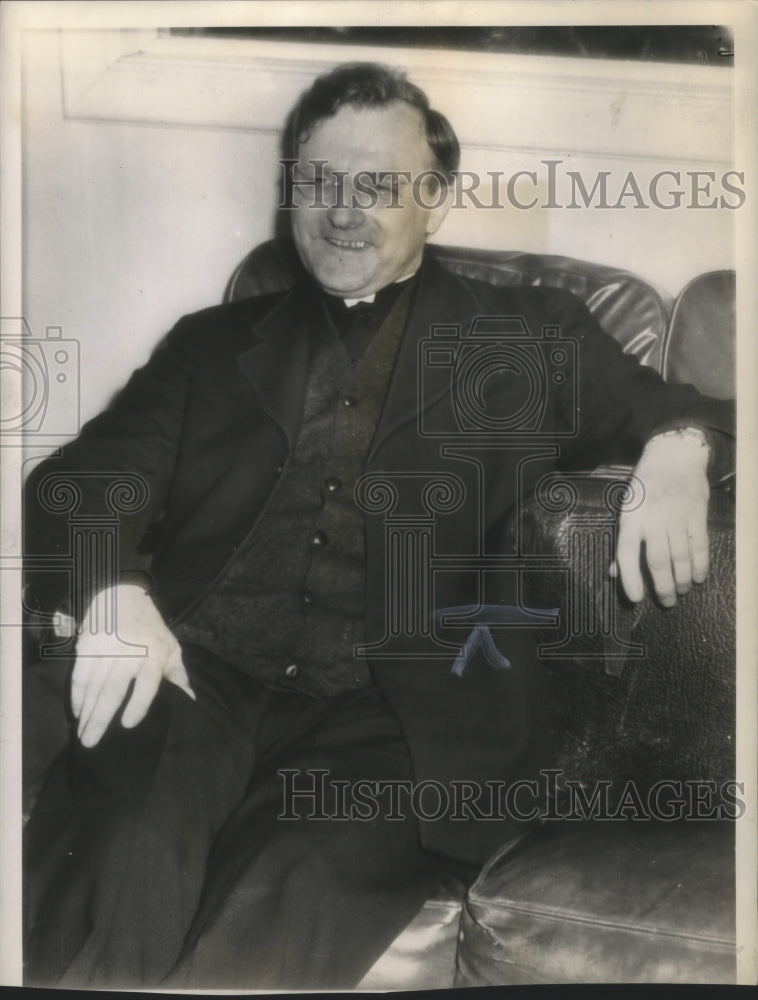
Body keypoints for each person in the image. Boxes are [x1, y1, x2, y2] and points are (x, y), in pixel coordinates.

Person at [22, 62, 734, 989]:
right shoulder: (210, 343)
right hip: (198, 673)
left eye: (379, 185)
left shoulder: (522, 337)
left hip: (401, 719)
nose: (343, 210)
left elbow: (691, 403)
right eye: (319, 181)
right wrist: (115, 588)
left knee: (284, 892)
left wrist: (680, 451)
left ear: (434, 201)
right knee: (124, 852)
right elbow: (81, 479)